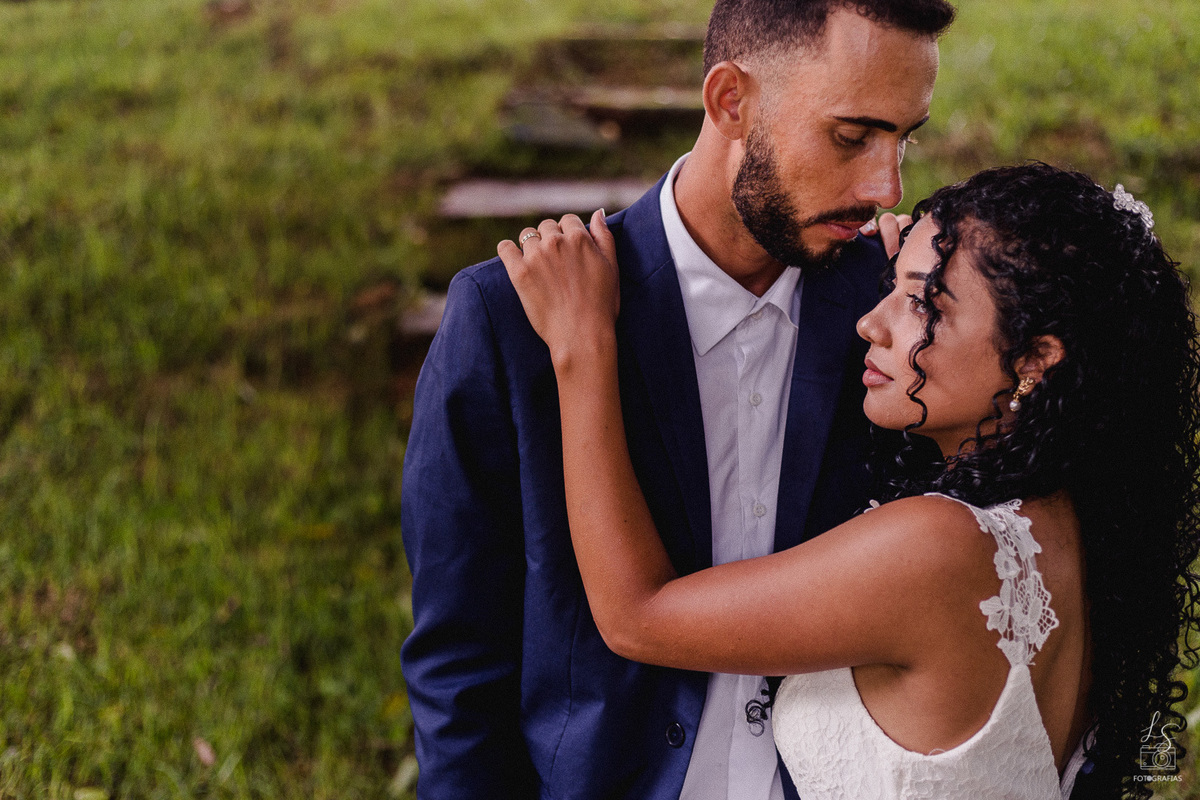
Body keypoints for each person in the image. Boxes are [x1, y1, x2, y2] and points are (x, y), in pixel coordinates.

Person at [497, 162, 1200, 799]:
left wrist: (582, 348)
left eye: (926, 304)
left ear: (1036, 359)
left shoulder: (939, 549)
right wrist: (918, 289)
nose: (871, 322)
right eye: (892, 289)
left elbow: (636, 617)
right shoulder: (1069, 526)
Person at [401, 0, 954, 796]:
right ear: (731, 101)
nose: (885, 184)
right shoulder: (512, 321)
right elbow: (458, 665)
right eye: (851, 136)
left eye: (905, 138)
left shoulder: (893, 322)